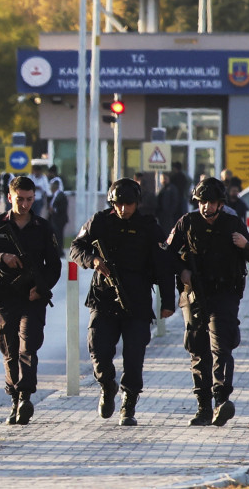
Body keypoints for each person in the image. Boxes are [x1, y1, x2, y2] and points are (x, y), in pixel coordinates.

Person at [69, 178, 175, 427]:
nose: (123, 209)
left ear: (137, 203)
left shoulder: (149, 227)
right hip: (103, 298)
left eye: (128, 204)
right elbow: (75, 248)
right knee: (98, 348)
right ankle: (107, 385)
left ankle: (129, 403)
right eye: (118, 204)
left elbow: (163, 266)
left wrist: (167, 302)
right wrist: (92, 260)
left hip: (136, 300)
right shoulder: (100, 221)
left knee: (134, 356)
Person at [166, 178, 249, 426]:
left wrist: (245, 245)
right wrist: (182, 270)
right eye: (202, 202)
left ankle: (221, 400)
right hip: (195, 295)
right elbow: (166, 254)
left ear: (220, 204)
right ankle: (203, 408)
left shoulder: (232, 224)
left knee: (221, 347)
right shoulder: (186, 223)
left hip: (224, 295)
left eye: (211, 202)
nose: (206, 207)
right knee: (198, 350)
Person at [0, 176, 62, 425]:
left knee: (28, 345)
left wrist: (40, 288)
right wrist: (2, 258)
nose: (25, 204)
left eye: (29, 199)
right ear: (10, 197)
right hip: (4, 295)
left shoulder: (43, 227)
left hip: (33, 296)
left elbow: (54, 266)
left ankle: (25, 396)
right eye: (20, 199)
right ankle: (14, 398)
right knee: (9, 349)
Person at [47, 178, 68, 255]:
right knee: (55, 235)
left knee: (59, 235)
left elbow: (62, 207)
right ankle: (56, 249)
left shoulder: (61, 195)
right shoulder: (54, 195)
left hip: (60, 219)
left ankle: (60, 251)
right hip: (54, 219)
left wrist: (54, 209)